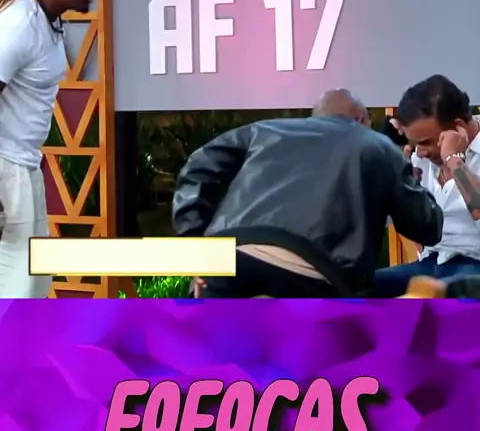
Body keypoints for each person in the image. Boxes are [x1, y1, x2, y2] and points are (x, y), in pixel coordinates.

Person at [172, 89, 443, 298]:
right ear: (361, 120)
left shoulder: (263, 130)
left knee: (208, 352)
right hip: (315, 272)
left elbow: (198, 167)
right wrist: (411, 184)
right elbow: (428, 226)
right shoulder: (378, 145)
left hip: (229, 258)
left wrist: (197, 247)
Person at [0, 0, 96, 297]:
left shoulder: (45, 20)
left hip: (23, 166)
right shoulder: (18, 25)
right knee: (17, 284)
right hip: (6, 169)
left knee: (34, 281)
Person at [374, 75, 480, 297]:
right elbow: (382, 220)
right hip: (430, 263)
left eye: (425, 143)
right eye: (415, 144)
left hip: (474, 266)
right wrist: (396, 182)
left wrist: (454, 160)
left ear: (458, 127)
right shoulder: (419, 159)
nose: (420, 153)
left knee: (445, 295)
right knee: (355, 287)